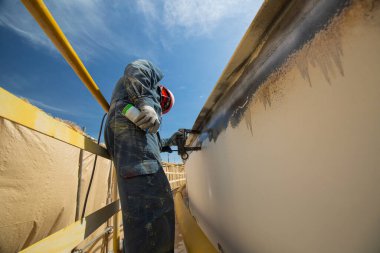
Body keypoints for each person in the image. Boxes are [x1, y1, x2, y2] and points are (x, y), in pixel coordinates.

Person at [104, 59, 178, 253]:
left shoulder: (138, 117)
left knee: (139, 208)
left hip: (127, 133)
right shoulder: (150, 76)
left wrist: (171, 141)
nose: (160, 108)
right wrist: (146, 103)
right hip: (129, 127)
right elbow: (136, 68)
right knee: (153, 206)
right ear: (163, 94)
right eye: (162, 105)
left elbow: (152, 143)